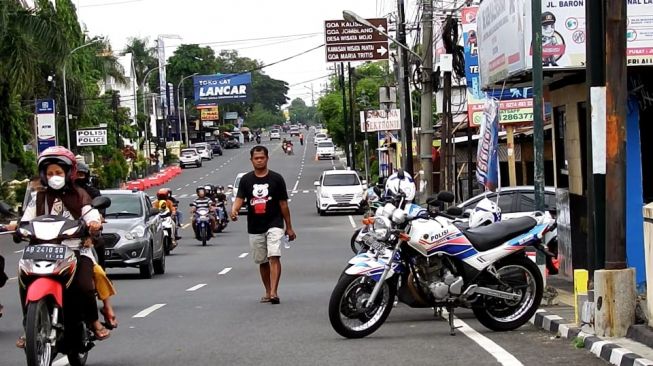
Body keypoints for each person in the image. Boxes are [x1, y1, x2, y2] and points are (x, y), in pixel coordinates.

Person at [17, 146, 110, 348]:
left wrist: (94, 223)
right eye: (49, 173)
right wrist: (18, 228)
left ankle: (93, 322)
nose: (54, 177)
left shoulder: (80, 195)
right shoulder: (38, 197)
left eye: (58, 173)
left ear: (68, 173)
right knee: (24, 280)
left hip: (75, 249)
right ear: (43, 175)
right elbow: (26, 220)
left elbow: (91, 213)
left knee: (85, 286)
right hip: (40, 250)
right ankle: (29, 327)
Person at [231, 145, 296, 305]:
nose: (259, 161)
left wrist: (289, 227)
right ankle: (267, 291)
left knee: (274, 255)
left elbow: (283, 204)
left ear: (267, 158)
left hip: (274, 223)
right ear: (251, 160)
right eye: (256, 158)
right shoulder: (246, 180)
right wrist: (234, 210)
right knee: (262, 261)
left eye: (262, 158)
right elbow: (240, 198)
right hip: (254, 226)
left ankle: (274, 292)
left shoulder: (276, 179)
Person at [76, 163, 118, 329]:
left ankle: (106, 307)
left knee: (97, 270)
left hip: (82, 239)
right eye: (50, 173)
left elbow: (97, 217)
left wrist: (92, 229)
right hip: (54, 243)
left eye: (80, 175)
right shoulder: (44, 195)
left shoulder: (89, 195)